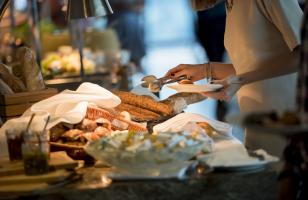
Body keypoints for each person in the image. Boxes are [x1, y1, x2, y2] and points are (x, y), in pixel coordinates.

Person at [165, 0, 303, 157]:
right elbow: (252, 64)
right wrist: (205, 69)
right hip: (256, 123)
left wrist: (240, 80)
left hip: (285, 123)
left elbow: (303, 55)